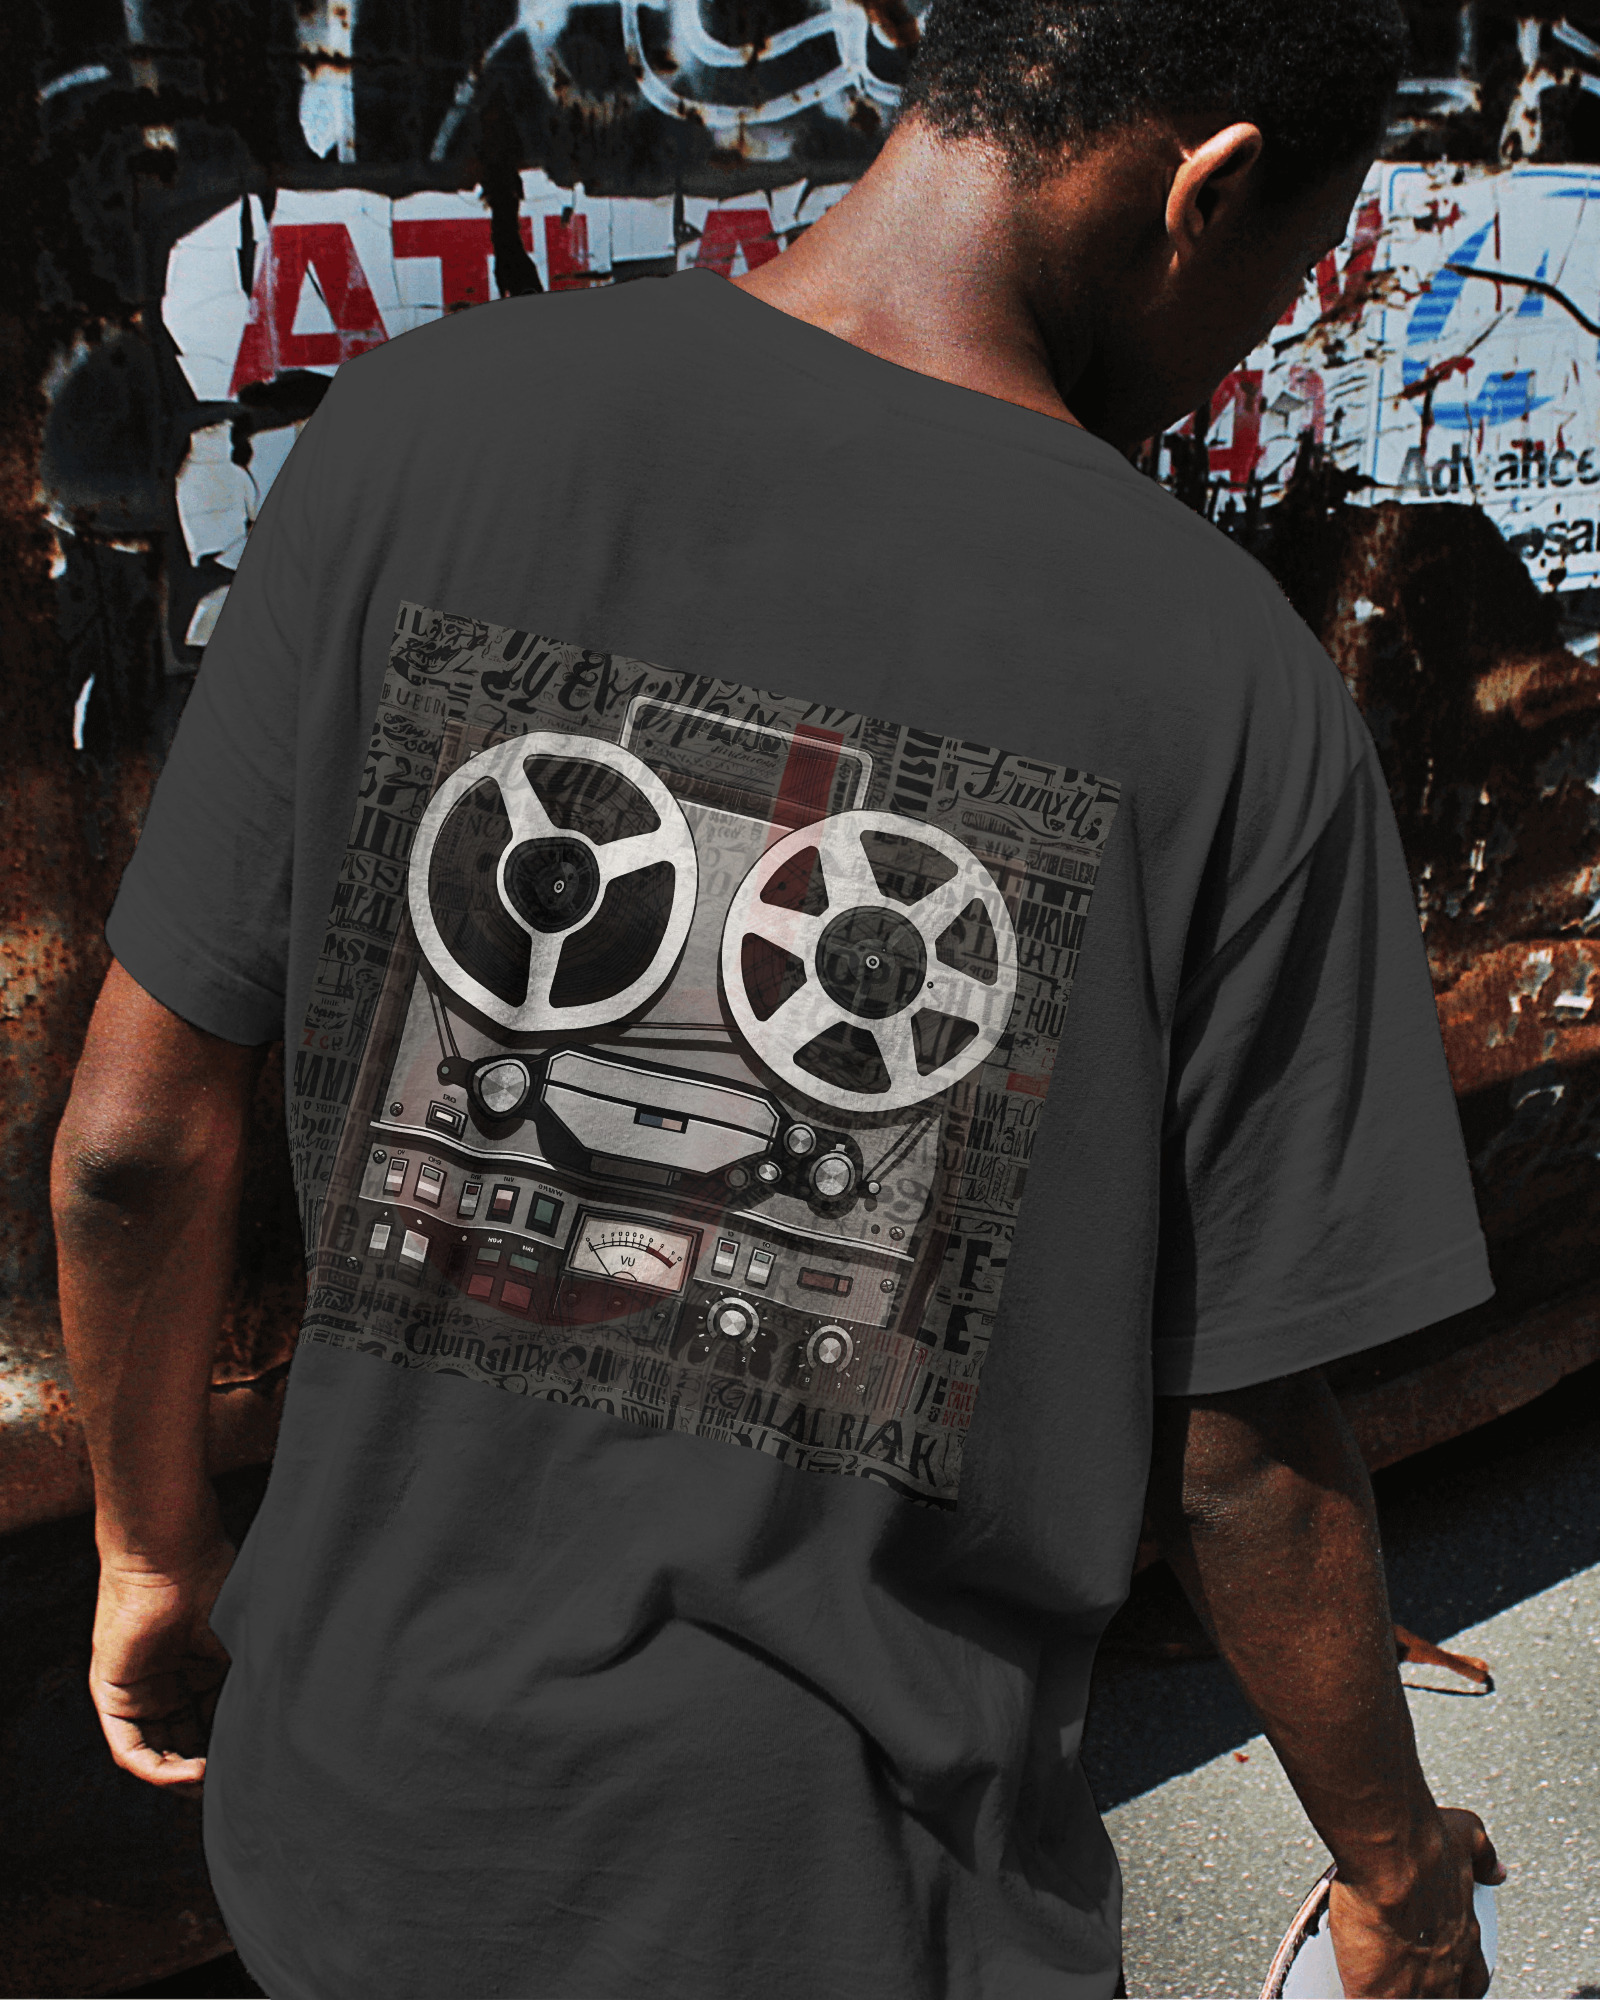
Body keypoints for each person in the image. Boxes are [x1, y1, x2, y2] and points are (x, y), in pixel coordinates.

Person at [51, 0, 1506, 1994]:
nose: (1258, 338)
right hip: (845, 1907)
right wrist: (1395, 1874)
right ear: (1208, 191)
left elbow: (132, 1145)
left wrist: (148, 1545)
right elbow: (1238, 1456)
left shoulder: (411, 433)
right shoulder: (1230, 686)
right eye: (1287, 269)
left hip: (363, 1848)